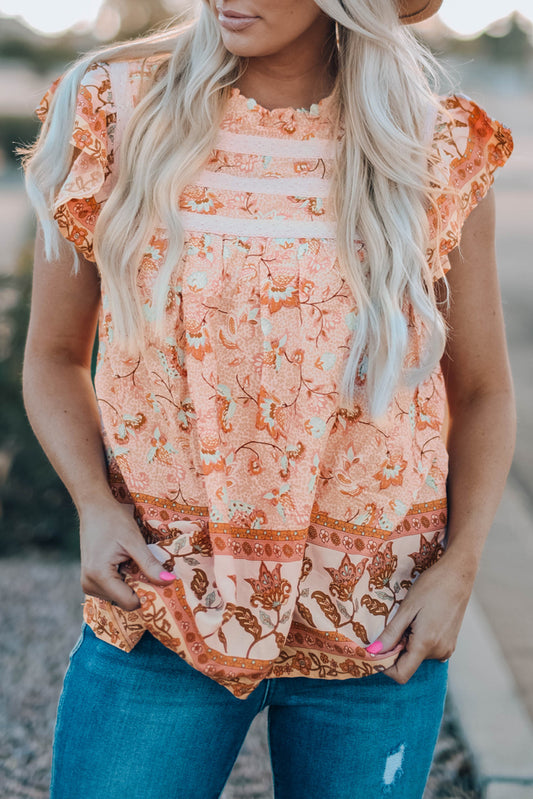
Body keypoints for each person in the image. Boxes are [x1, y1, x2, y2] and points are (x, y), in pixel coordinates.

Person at [21, 0, 515, 797]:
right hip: (167, 602)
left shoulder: (436, 146)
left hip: (377, 621)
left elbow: (485, 391)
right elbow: (51, 355)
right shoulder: (112, 107)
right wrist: (93, 502)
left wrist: (459, 569)